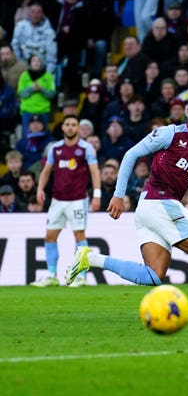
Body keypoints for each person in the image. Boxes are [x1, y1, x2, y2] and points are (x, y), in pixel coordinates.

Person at [65, 91, 188, 322]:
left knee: (153, 275)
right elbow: (131, 154)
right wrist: (118, 195)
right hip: (158, 202)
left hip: (152, 209)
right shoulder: (170, 133)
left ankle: (91, 259)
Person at [30, 115, 101, 287]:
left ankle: (81, 276)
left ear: (78, 128)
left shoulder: (86, 148)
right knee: (49, 236)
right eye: (67, 124)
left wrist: (97, 195)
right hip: (57, 200)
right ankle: (52, 275)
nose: (70, 128)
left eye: (73, 125)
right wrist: (39, 189)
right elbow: (46, 171)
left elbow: (94, 172)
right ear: (62, 127)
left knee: (79, 235)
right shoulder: (55, 148)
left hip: (78, 200)